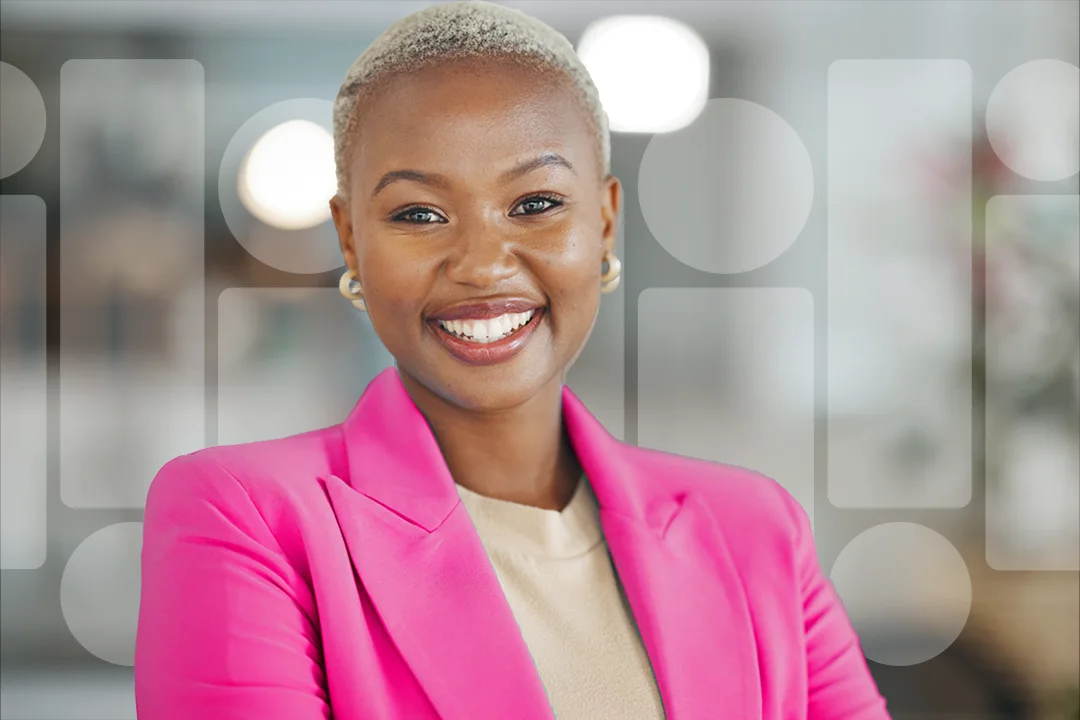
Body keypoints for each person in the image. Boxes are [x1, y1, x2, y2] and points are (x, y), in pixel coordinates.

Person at [133, 2, 890, 718]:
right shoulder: (248, 518)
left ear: (605, 223)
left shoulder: (755, 530)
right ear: (352, 241)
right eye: (419, 214)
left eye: (535, 204)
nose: (482, 264)